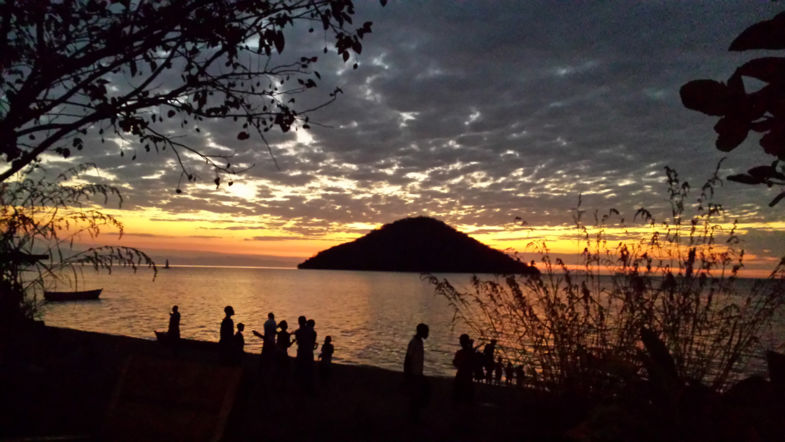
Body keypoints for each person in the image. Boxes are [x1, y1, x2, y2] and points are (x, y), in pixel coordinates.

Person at [403, 323, 429, 422]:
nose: (427, 334)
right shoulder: (414, 343)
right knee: (415, 397)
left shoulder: (419, 342)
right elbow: (408, 359)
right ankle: (413, 417)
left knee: (417, 396)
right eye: (426, 332)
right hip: (413, 375)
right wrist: (407, 375)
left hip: (417, 374)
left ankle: (414, 416)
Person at [453, 334, 475, 403]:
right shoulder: (469, 352)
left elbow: (456, 363)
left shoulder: (461, 352)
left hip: (462, 376)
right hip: (467, 376)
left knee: (459, 396)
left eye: (461, 341)